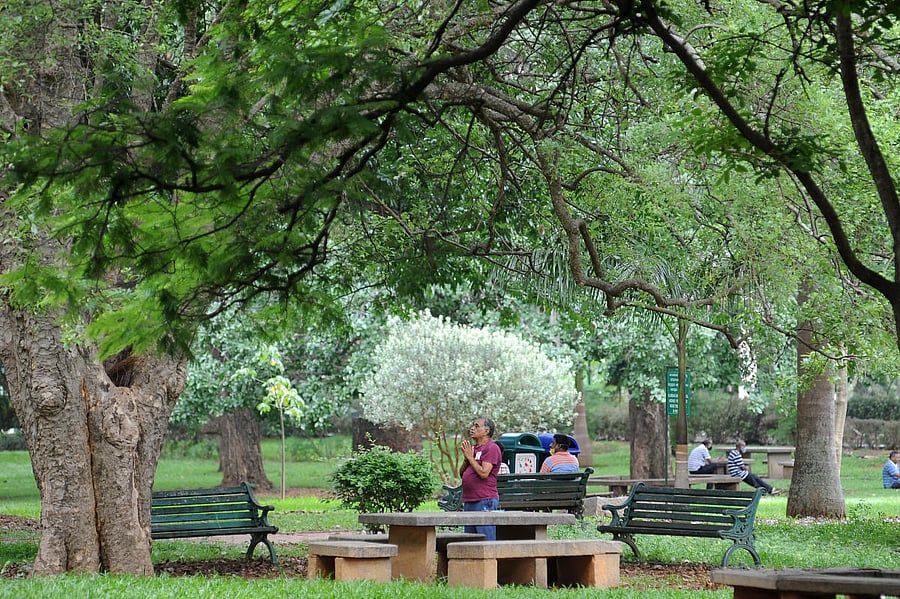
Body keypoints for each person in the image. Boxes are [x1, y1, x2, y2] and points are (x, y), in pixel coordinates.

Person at [459, 416, 502, 540]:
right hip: (469, 500)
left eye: (477, 426)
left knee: (485, 540)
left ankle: (489, 560)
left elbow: (484, 473)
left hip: (484, 500)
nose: (472, 428)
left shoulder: (491, 448)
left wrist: (470, 458)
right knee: (469, 541)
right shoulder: (474, 449)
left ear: (486, 431)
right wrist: (467, 459)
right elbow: (462, 473)